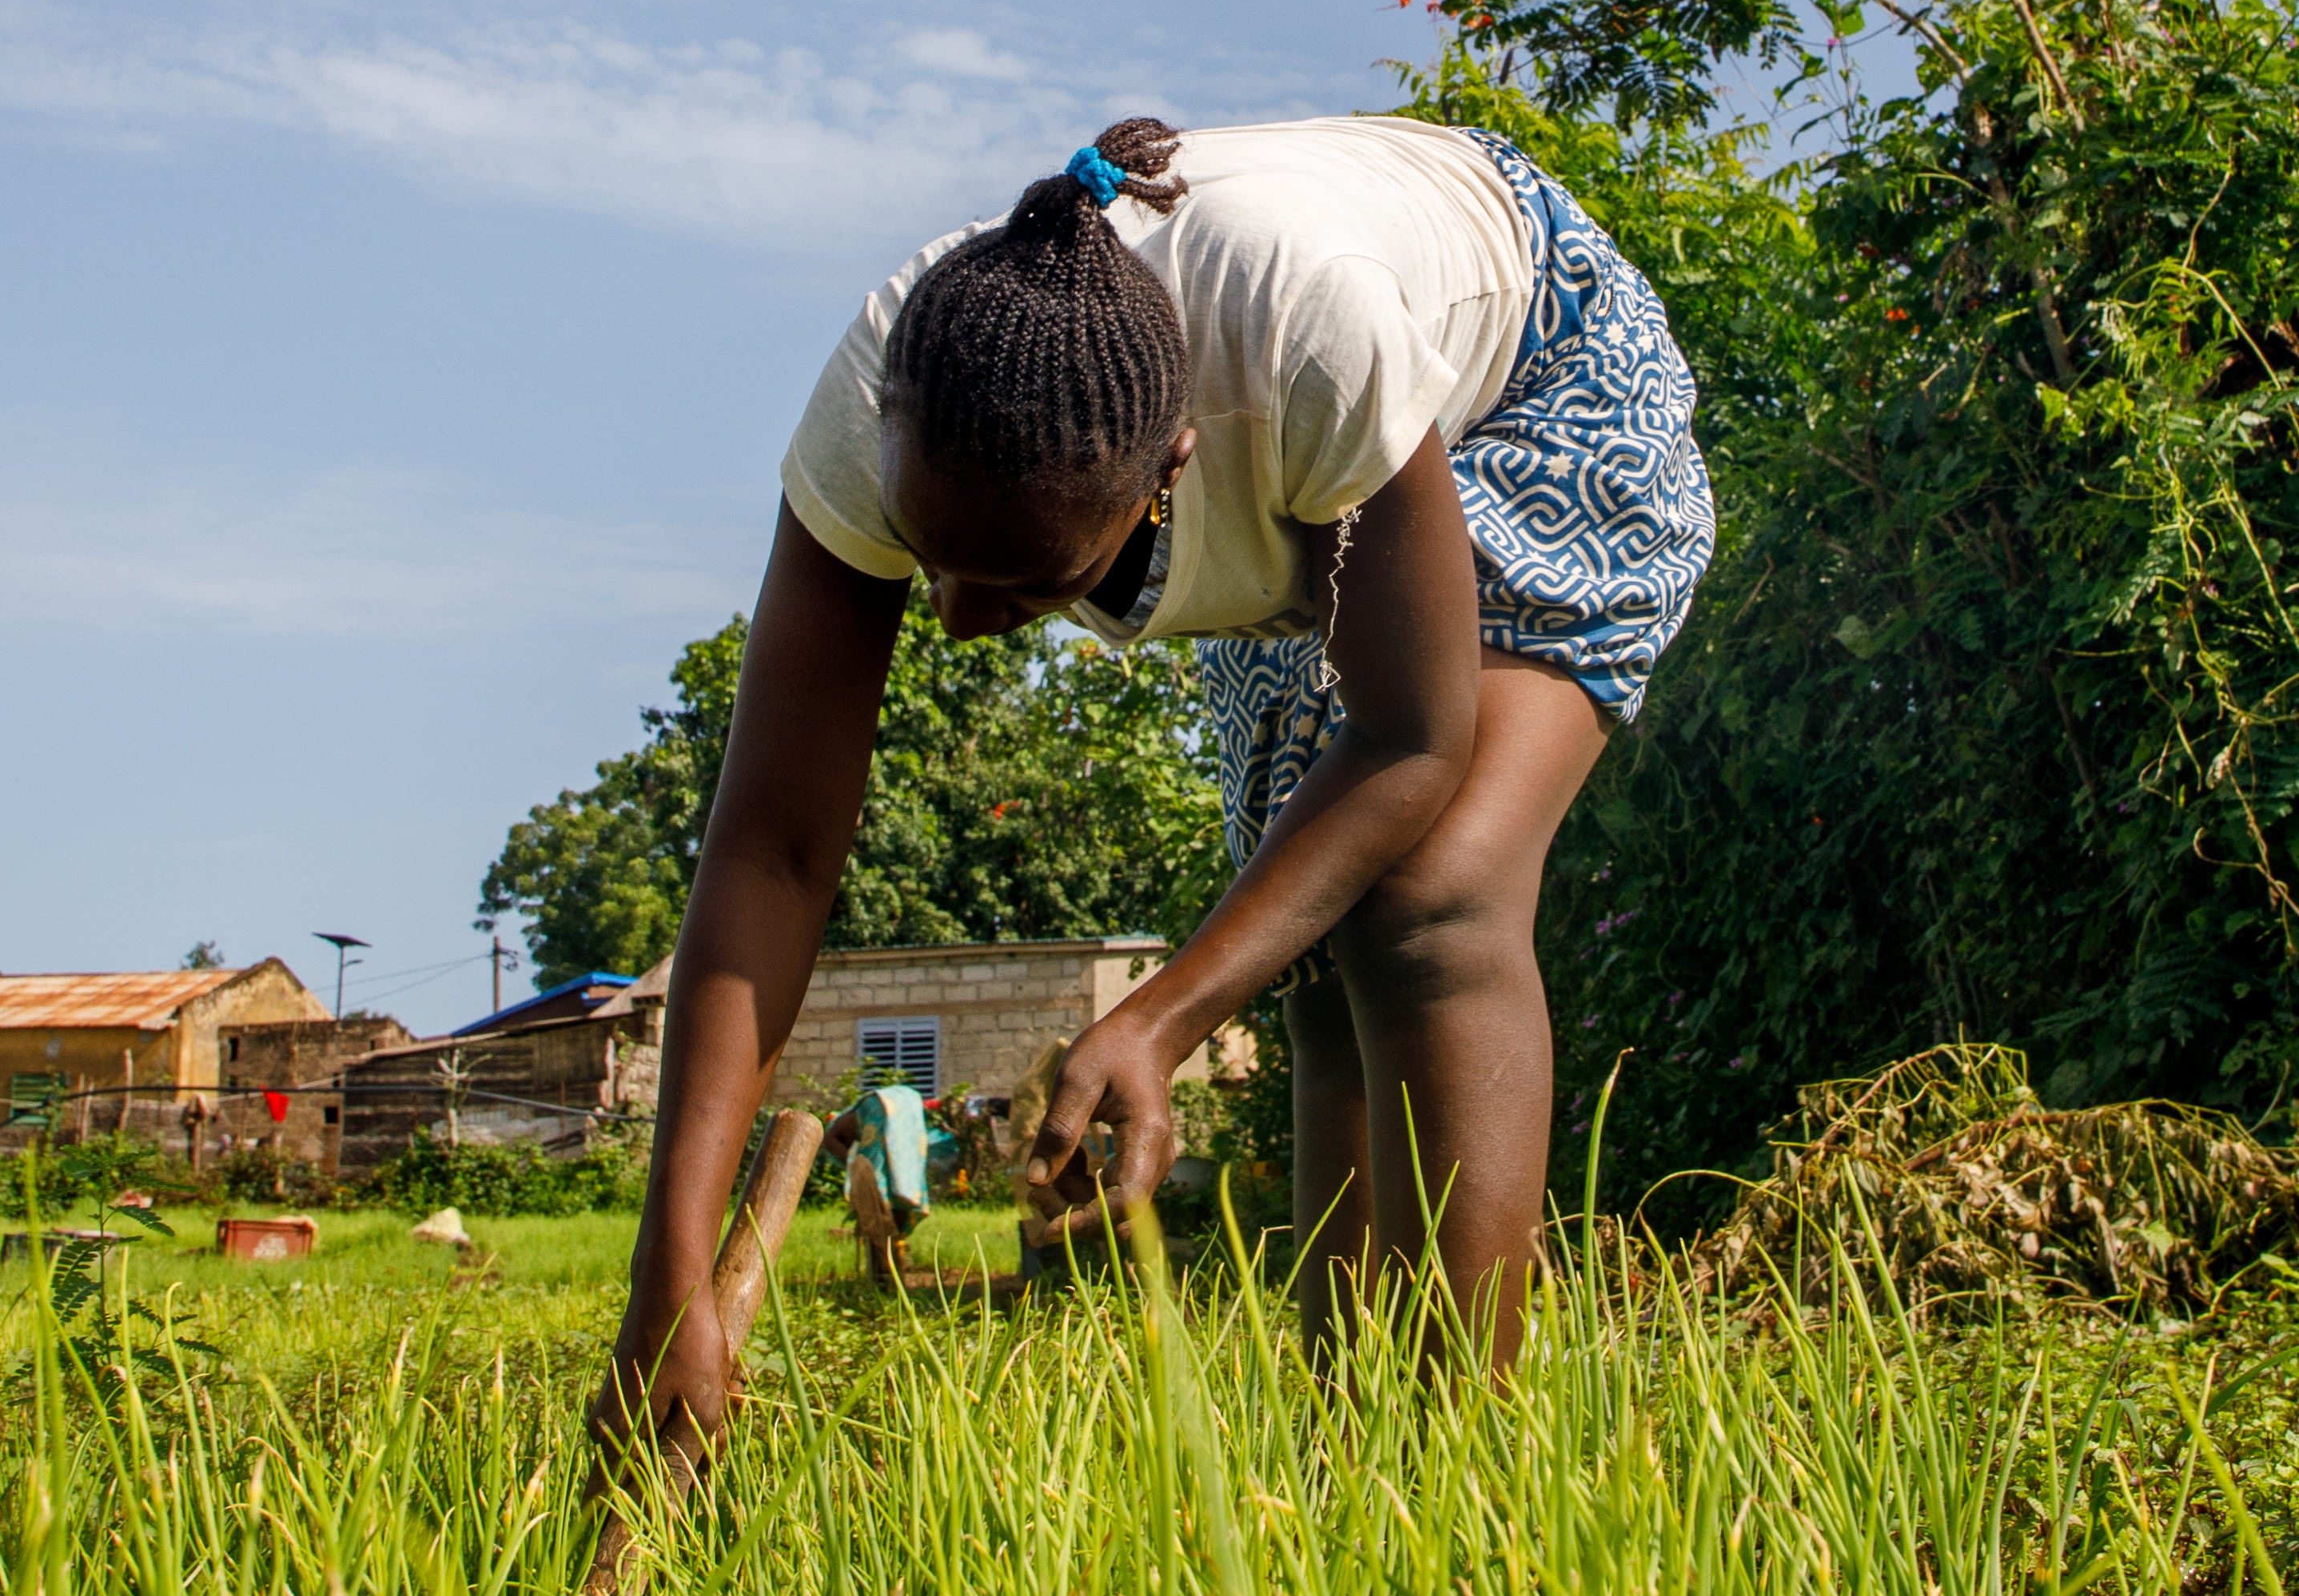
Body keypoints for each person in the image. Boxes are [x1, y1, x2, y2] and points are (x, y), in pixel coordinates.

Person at [600, 113, 1710, 1458]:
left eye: (1027, 587)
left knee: (1426, 900)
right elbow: (772, 849)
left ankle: (1455, 1479)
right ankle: (1346, 1467)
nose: (953, 618)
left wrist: (1159, 1018)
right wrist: (666, 1278)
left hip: (1535, 369)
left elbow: (1413, 739)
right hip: (1306, 474)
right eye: (933, 557)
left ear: (1170, 467)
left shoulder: (1304, 337)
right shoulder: (883, 394)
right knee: (1311, 963)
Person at [823, 1071, 954, 1286]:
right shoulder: (872, 1131)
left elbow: (830, 1140)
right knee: (888, 1202)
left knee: (877, 1205)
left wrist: (855, 1167)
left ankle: (886, 1275)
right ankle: (887, 1275)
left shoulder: (844, 1122)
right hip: (905, 1108)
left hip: (888, 1109)